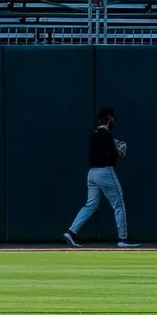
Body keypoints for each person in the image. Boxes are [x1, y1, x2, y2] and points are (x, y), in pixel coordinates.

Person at [64, 104, 133, 247]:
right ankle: (123, 239)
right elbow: (111, 154)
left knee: (91, 204)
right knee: (119, 204)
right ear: (109, 119)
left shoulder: (94, 134)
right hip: (104, 172)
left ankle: (71, 231)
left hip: (92, 173)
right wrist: (119, 153)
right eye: (112, 119)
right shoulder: (106, 135)